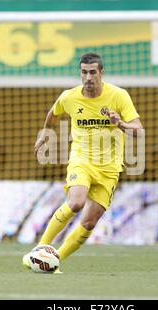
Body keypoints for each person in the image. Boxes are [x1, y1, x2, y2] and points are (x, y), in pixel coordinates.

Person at [23, 53, 143, 272]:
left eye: (92, 72)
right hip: (82, 160)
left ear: (101, 73)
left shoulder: (118, 96)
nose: (88, 77)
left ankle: (52, 261)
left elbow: (139, 130)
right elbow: (53, 113)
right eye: (84, 72)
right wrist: (45, 134)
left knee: (89, 222)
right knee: (76, 202)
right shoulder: (69, 97)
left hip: (109, 169)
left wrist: (121, 124)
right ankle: (38, 250)